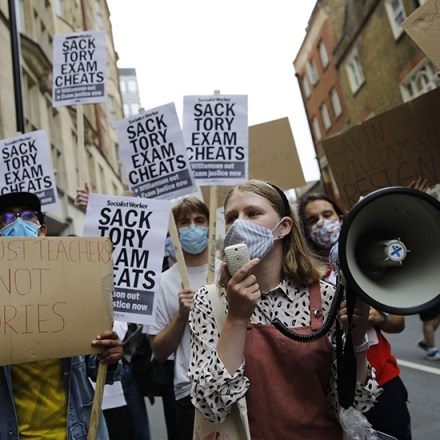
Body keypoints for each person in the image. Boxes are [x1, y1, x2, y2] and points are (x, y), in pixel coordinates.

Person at [189, 180, 381, 439]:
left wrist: (356, 338)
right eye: (232, 217)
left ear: (284, 227)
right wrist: (236, 319)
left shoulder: (326, 296)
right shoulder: (210, 301)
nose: (239, 224)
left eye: (252, 213)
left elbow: (357, 401)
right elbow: (210, 406)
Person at [0, 191, 123, 440]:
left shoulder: (73, 286)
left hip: (76, 432)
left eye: (27, 216)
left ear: (42, 231)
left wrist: (109, 356)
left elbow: (95, 368)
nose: (18, 223)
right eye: (7, 218)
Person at [298, 192, 411, 440]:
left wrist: (379, 317)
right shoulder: (305, 274)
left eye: (327, 215)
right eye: (312, 220)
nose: (322, 223)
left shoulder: (369, 260)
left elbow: (398, 324)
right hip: (334, 389)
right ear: (304, 231)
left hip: (382, 381)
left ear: (340, 218)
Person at [75, 185, 153, 440]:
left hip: (122, 376)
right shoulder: (79, 278)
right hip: (87, 387)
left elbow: (122, 323)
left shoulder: (132, 274)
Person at [149, 196, 221, 440]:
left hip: (235, 385)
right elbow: (159, 352)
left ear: (210, 226)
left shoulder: (229, 272)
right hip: (189, 392)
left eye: (199, 220)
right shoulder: (163, 282)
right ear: (174, 230)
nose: (192, 227)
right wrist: (181, 315)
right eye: (184, 222)